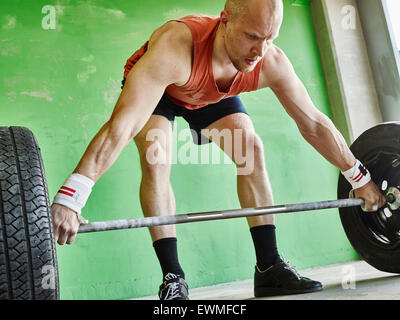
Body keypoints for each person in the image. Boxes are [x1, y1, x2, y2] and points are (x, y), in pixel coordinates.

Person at [51, 0, 386, 300]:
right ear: (224, 21)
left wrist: (360, 177)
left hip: (211, 95)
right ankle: (173, 277)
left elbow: (313, 123)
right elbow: (121, 127)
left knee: (250, 149)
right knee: (157, 158)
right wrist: (72, 196)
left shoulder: (268, 60)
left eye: (269, 38)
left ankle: (269, 268)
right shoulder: (175, 48)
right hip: (166, 89)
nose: (260, 50)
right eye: (252, 36)